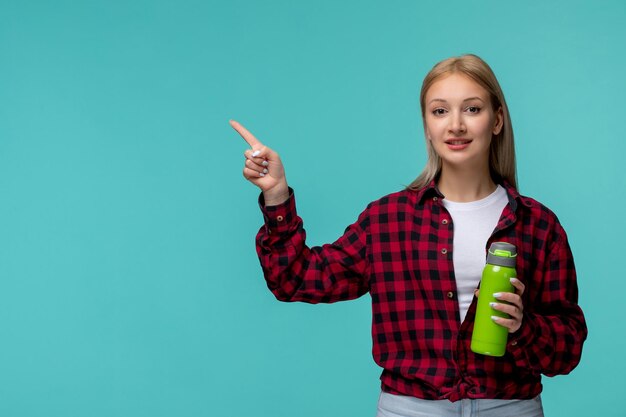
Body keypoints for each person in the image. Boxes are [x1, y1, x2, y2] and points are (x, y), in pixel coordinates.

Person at [230, 54, 587, 417]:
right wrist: (276, 193)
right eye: (440, 111)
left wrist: (523, 326)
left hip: (510, 407)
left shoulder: (537, 224)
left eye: (473, 109)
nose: (456, 125)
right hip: (412, 410)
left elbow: (568, 349)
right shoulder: (388, 220)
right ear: (427, 126)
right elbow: (295, 279)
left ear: (496, 121)